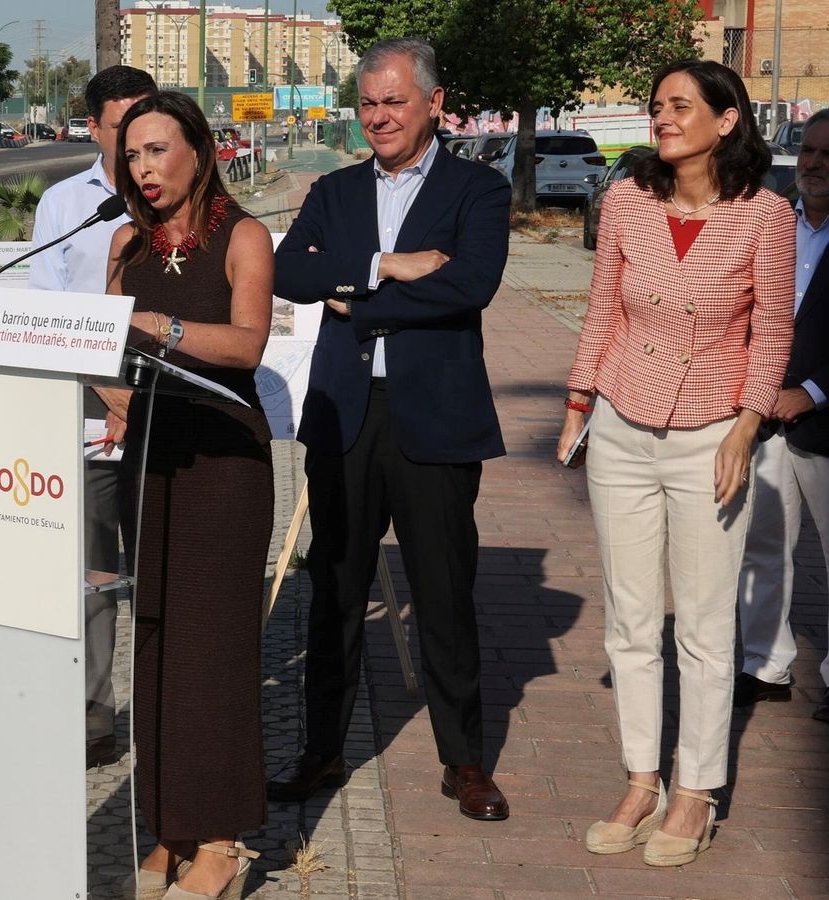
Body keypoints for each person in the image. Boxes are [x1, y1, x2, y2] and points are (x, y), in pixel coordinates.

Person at [266, 37, 513, 822]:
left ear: (433, 104)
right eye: (368, 103)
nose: (378, 117)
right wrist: (384, 265)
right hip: (346, 415)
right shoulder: (335, 191)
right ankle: (323, 750)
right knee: (334, 587)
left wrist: (351, 294)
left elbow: (469, 287)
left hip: (435, 417)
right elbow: (289, 273)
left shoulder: (478, 188)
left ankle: (464, 760)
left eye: (394, 102)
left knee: (443, 591)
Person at [559, 59, 794, 865]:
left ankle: (695, 790)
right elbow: (600, 311)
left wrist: (745, 428)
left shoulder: (767, 216)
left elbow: (773, 331)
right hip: (622, 426)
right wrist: (579, 403)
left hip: (712, 436)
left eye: (679, 106)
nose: (662, 118)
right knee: (629, 620)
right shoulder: (627, 199)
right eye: (657, 106)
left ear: (726, 120)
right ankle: (640, 776)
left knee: (701, 624)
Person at [100, 91, 274, 900]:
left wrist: (162, 329)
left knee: (215, 644)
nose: (144, 168)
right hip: (151, 457)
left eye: (158, 150)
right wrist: (113, 395)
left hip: (224, 462)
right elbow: (104, 348)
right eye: (132, 154)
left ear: (199, 151)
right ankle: (167, 827)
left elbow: (245, 344)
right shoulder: (123, 241)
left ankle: (220, 838)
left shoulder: (244, 235)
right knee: (160, 639)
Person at [27, 63, 157, 771]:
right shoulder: (63, 203)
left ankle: (171, 711)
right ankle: (93, 718)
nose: (139, 138)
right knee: (94, 574)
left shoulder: (182, 197)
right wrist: (109, 396)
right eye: (123, 125)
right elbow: (46, 314)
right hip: (89, 406)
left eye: (149, 119)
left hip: (170, 400)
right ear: (96, 127)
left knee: (164, 567)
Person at [734, 108, 829, 720]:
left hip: (823, 419)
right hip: (763, 414)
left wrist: (815, 391)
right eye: (811, 152)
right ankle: (763, 665)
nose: (817, 164)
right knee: (763, 546)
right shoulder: (774, 221)